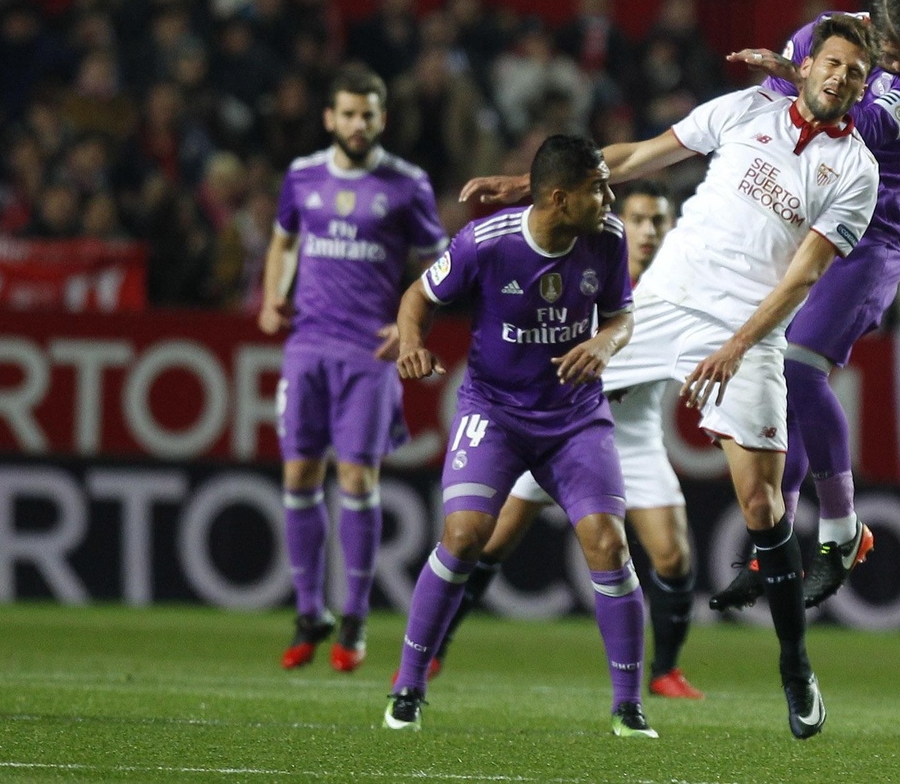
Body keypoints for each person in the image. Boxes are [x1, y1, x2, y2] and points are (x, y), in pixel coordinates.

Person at [462, 12, 882, 738]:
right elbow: (635, 156)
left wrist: (738, 344)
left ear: (862, 87)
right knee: (546, 391)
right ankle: (469, 542)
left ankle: (795, 667)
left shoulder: (856, 170)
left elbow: (803, 277)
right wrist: (527, 182)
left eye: (856, 72)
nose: (840, 77)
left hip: (746, 331)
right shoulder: (746, 109)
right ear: (808, 64)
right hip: (659, 304)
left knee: (763, 506)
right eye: (833, 62)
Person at [384, 136, 652, 737]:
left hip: (574, 416)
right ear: (559, 198)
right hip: (496, 412)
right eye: (599, 188)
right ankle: (408, 687)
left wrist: (604, 342)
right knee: (463, 535)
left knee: (609, 544)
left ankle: (628, 707)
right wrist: (411, 344)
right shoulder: (486, 243)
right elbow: (417, 297)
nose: (610, 199)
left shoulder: (607, 238)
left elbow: (621, 316)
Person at [719, 0, 900, 609]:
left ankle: (842, 530)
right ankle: (773, 549)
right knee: (781, 390)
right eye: (891, 51)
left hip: (869, 240)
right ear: (870, 28)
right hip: (803, 226)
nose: (899, 63)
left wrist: (799, 79)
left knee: (799, 369)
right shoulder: (820, 39)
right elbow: (773, 116)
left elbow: (864, 128)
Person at [434, 181, 704, 700]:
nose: (648, 231)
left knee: (672, 556)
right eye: (639, 219)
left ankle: (665, 671)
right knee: (487, 541)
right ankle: (436, 645)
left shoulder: (681, 294)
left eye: (659, 221)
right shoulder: (589, 267)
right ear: (621, 222)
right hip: (559, 426)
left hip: (634, 436)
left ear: (673, 228)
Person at [260, 64, 447, 673]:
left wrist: (411, 327)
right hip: (308, 345)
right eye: (347, 114)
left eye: (367, 114)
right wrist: (272, 295)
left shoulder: (407, 184)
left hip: (368, 353)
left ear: (381, 118)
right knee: (298, 474)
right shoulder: (302, 175)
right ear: (329, 118)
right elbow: (284, 240)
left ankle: (356, 616)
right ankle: (308, 611)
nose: (357, 124)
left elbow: (440, 263)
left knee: (357, 480)